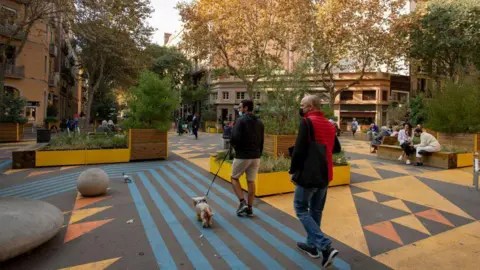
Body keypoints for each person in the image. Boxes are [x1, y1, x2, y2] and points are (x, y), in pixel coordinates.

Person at [289, 94, 339, 268]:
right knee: (316, 211)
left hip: (309, 175)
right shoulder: (329, 124)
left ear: (310, 107)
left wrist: (293, 171)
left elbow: (300, 150)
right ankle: (312, 246)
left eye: (302, 105)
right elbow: (337, 148)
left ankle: (324, 246)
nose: (300, 108)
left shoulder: (307, 122)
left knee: (301, 208)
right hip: (326, 174)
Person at [230, 99, 264, 217]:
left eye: (240, 107)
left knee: (234, 178)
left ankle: (242, 202)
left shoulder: (240, 121)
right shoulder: (260, 122)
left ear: (245, 108)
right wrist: (259, 153)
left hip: (243, 155)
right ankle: (250, 208)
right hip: (256, 156)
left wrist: (234, 147)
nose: (239, 109)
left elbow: (234, 138)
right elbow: (261, 140)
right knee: (251, 181)